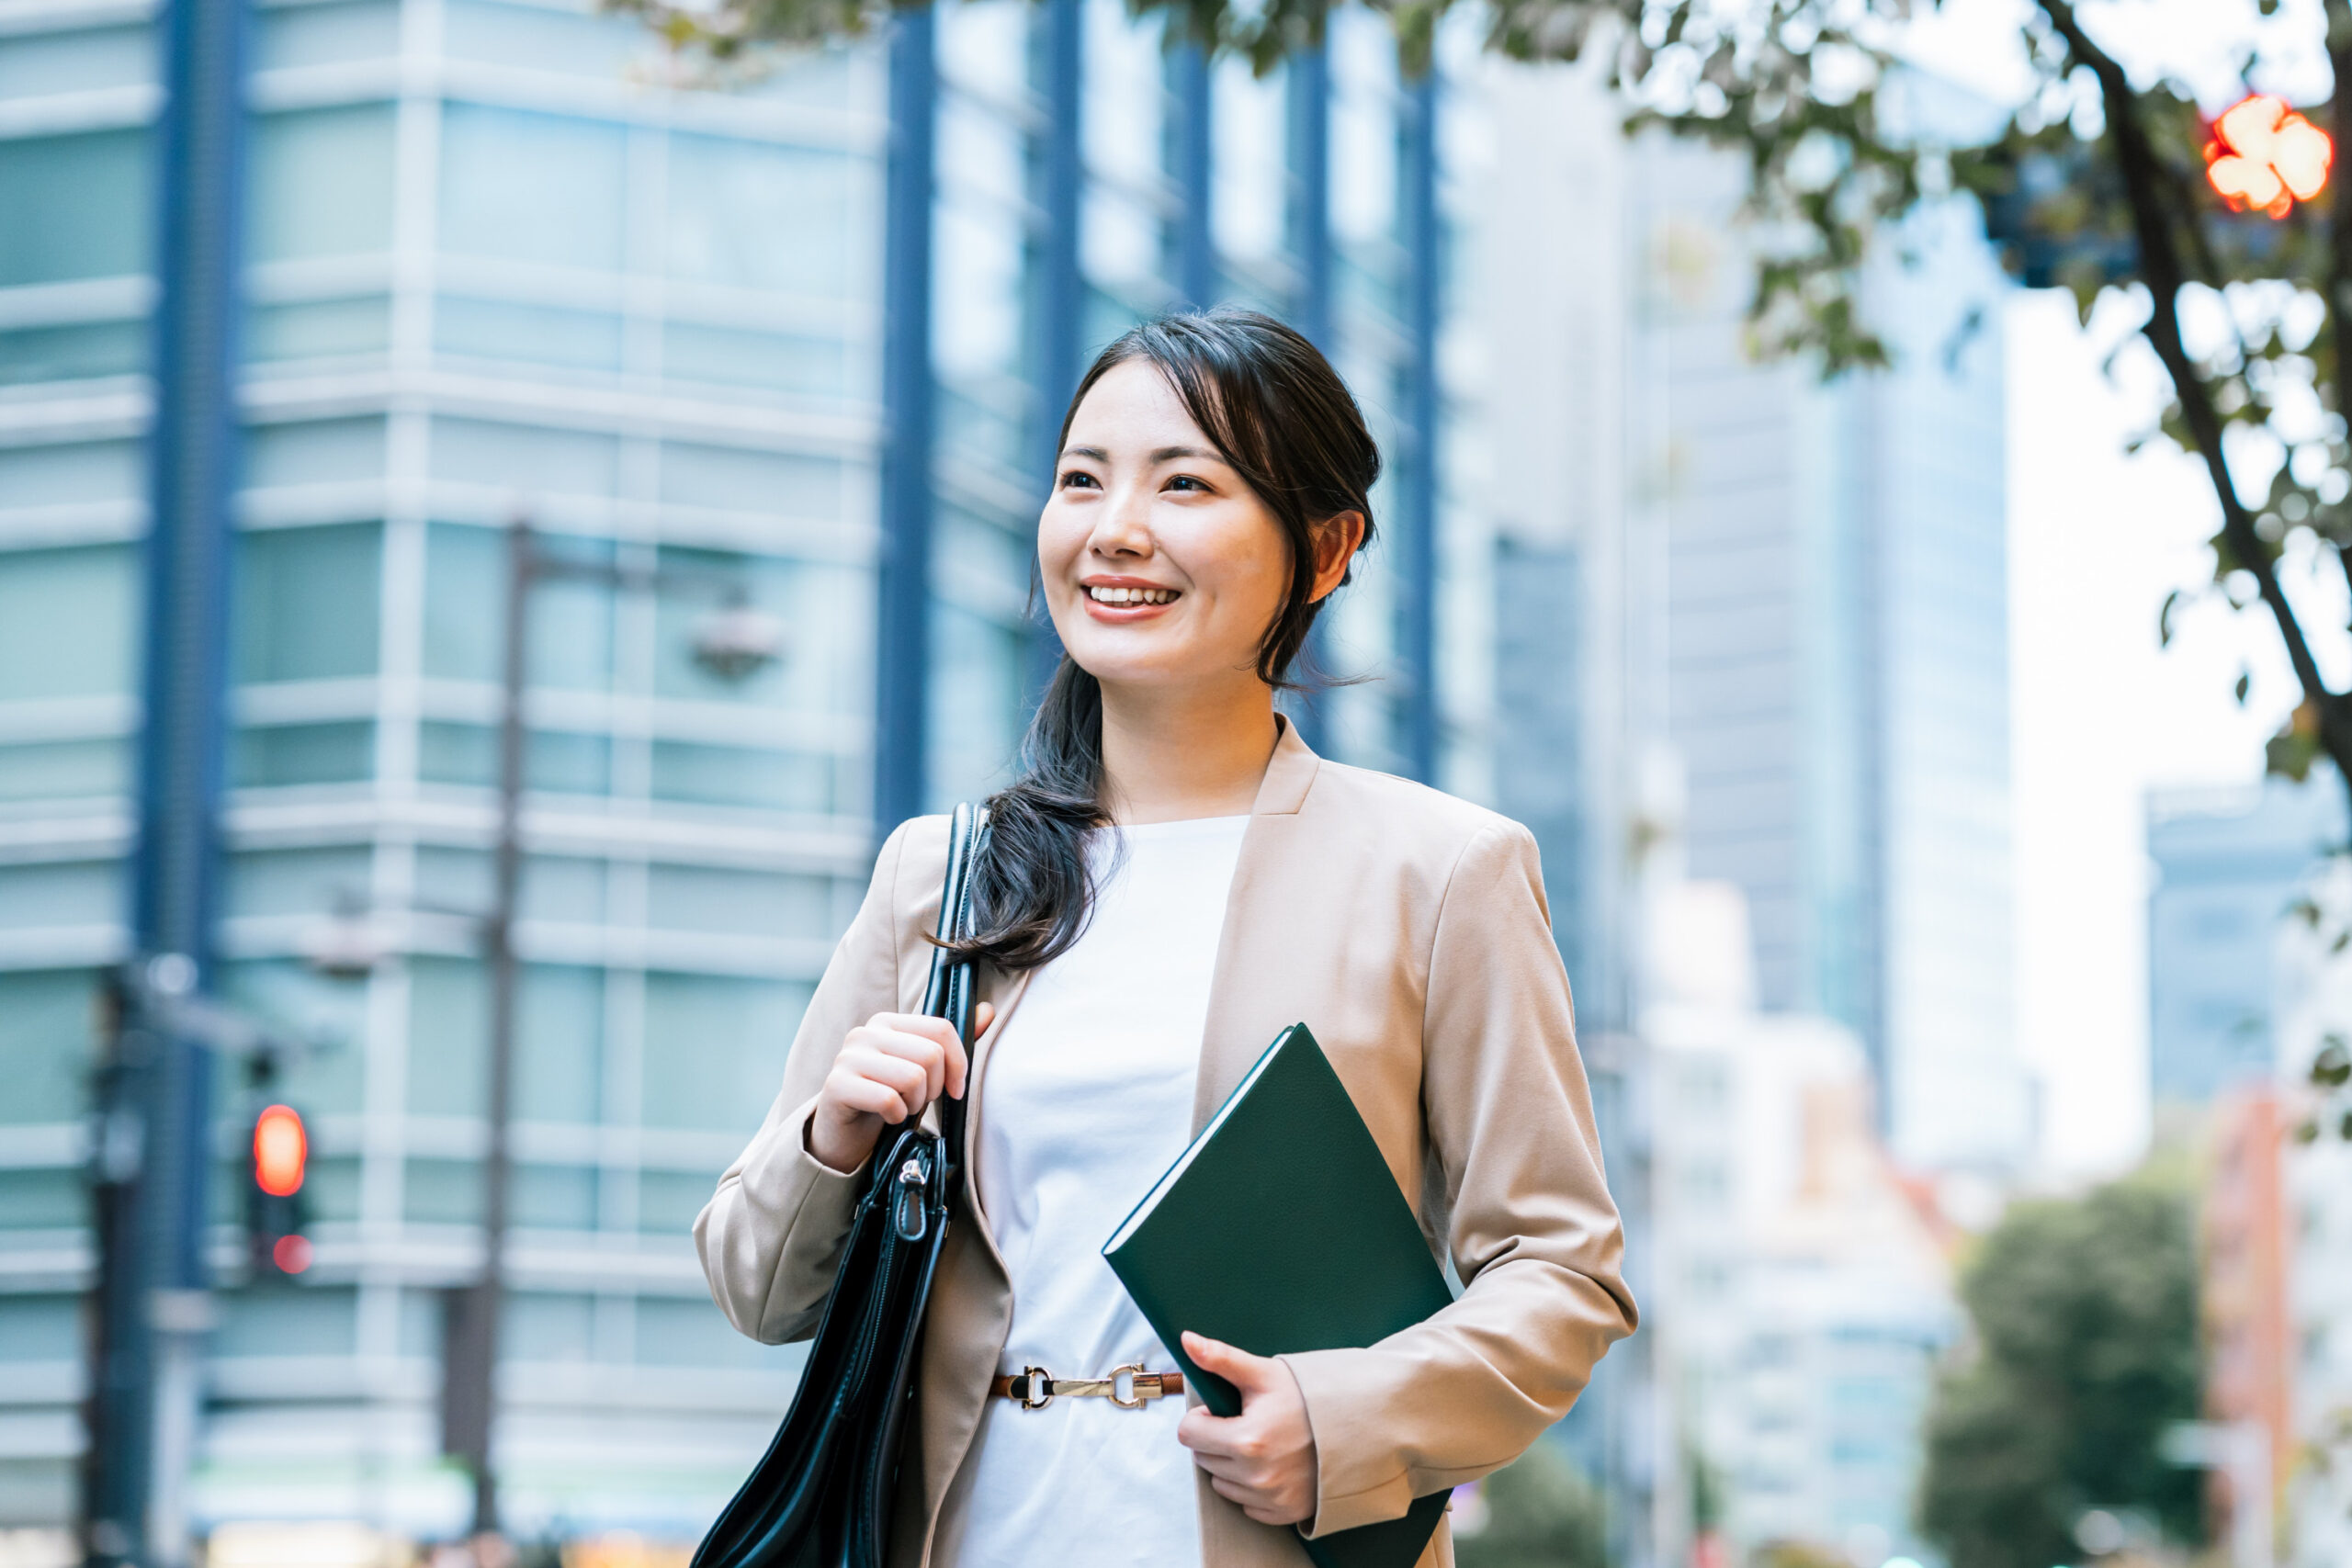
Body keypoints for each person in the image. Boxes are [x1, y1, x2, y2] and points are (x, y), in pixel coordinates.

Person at [696, 307, 1636, 1568]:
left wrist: (1345, 1417)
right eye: (1082, 481)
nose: (1115, 529)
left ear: (1324, 548)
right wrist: (834, 1134)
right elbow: (760, 1286)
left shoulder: (1443, 872)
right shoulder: (945, 877)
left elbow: (1563, 1274)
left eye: (1185, 484)